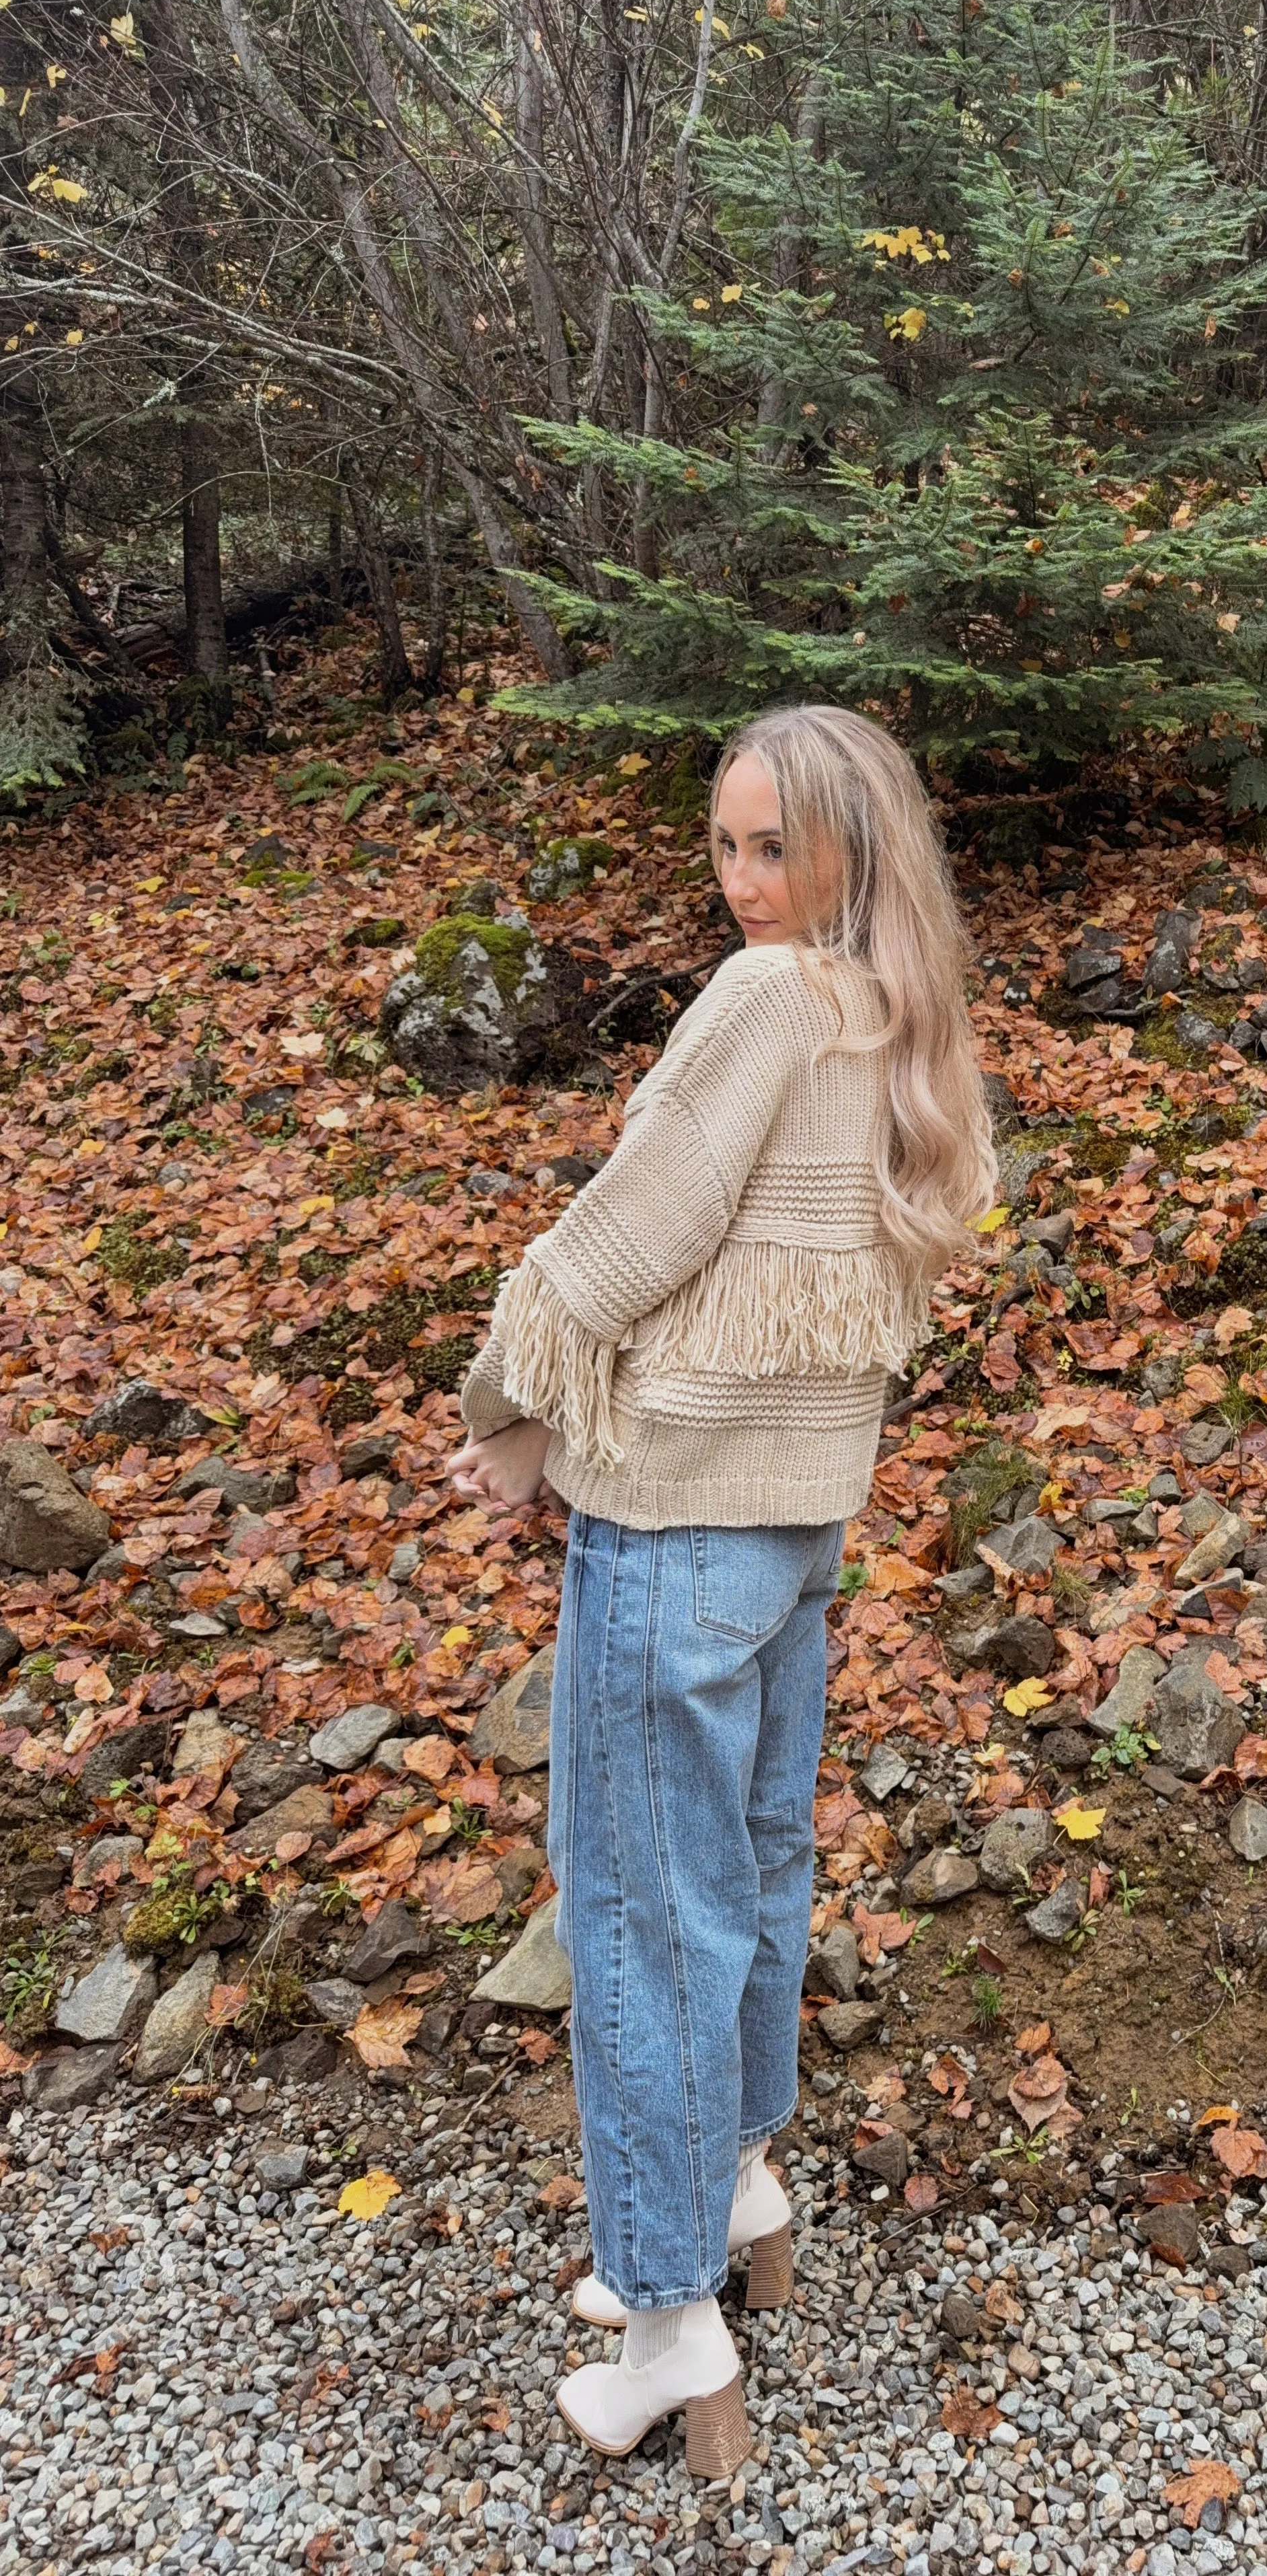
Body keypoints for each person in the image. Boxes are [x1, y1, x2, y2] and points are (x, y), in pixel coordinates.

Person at [447, 706, 993, 2472]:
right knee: (750, 1873)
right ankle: (744, 2180)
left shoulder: (762, 1002)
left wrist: (507, 1405)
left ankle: (671, 2316)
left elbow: (638, 1227)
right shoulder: (891, 1019)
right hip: (787, 1533)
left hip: (675, 1526)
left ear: (853, 848)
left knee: (636, 1915)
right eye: (730, 843)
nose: (747, 883)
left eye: (780, 848)